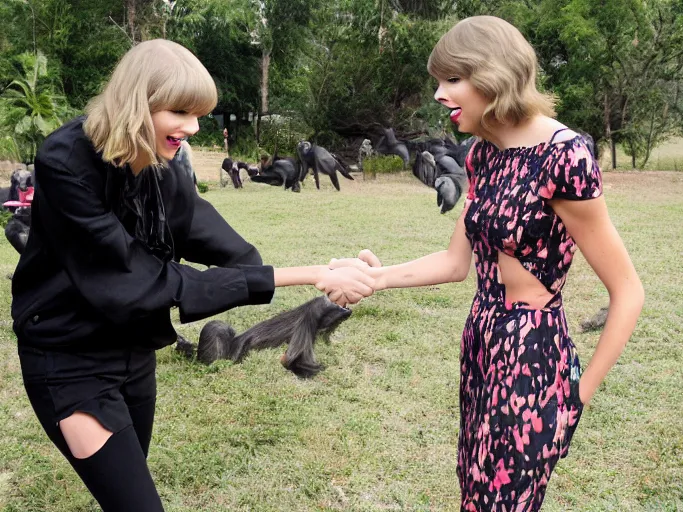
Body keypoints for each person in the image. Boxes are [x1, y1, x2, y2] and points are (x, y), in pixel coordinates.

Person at [12, 39, 373, 511]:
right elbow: (140, 281)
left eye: (198, 112)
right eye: (180, 111)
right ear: (137, 102)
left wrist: (328, 276)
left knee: (124, 492)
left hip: (135, 350)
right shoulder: (66, 162)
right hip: (71, 358)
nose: (193, 127)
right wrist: (298, 274)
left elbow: (202, 230)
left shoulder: (162, 160)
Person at [332, 16, 644, 511]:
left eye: (452, 79)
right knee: (474, 490)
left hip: (531, 359)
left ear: (494, 76)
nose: (438, 93)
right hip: (481, 340)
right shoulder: (483, 154)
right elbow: (457, 262)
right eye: (439, 80)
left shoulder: (565, 156)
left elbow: (628, 291)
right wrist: (376, 278)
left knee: (504, 501)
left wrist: (578, 397)